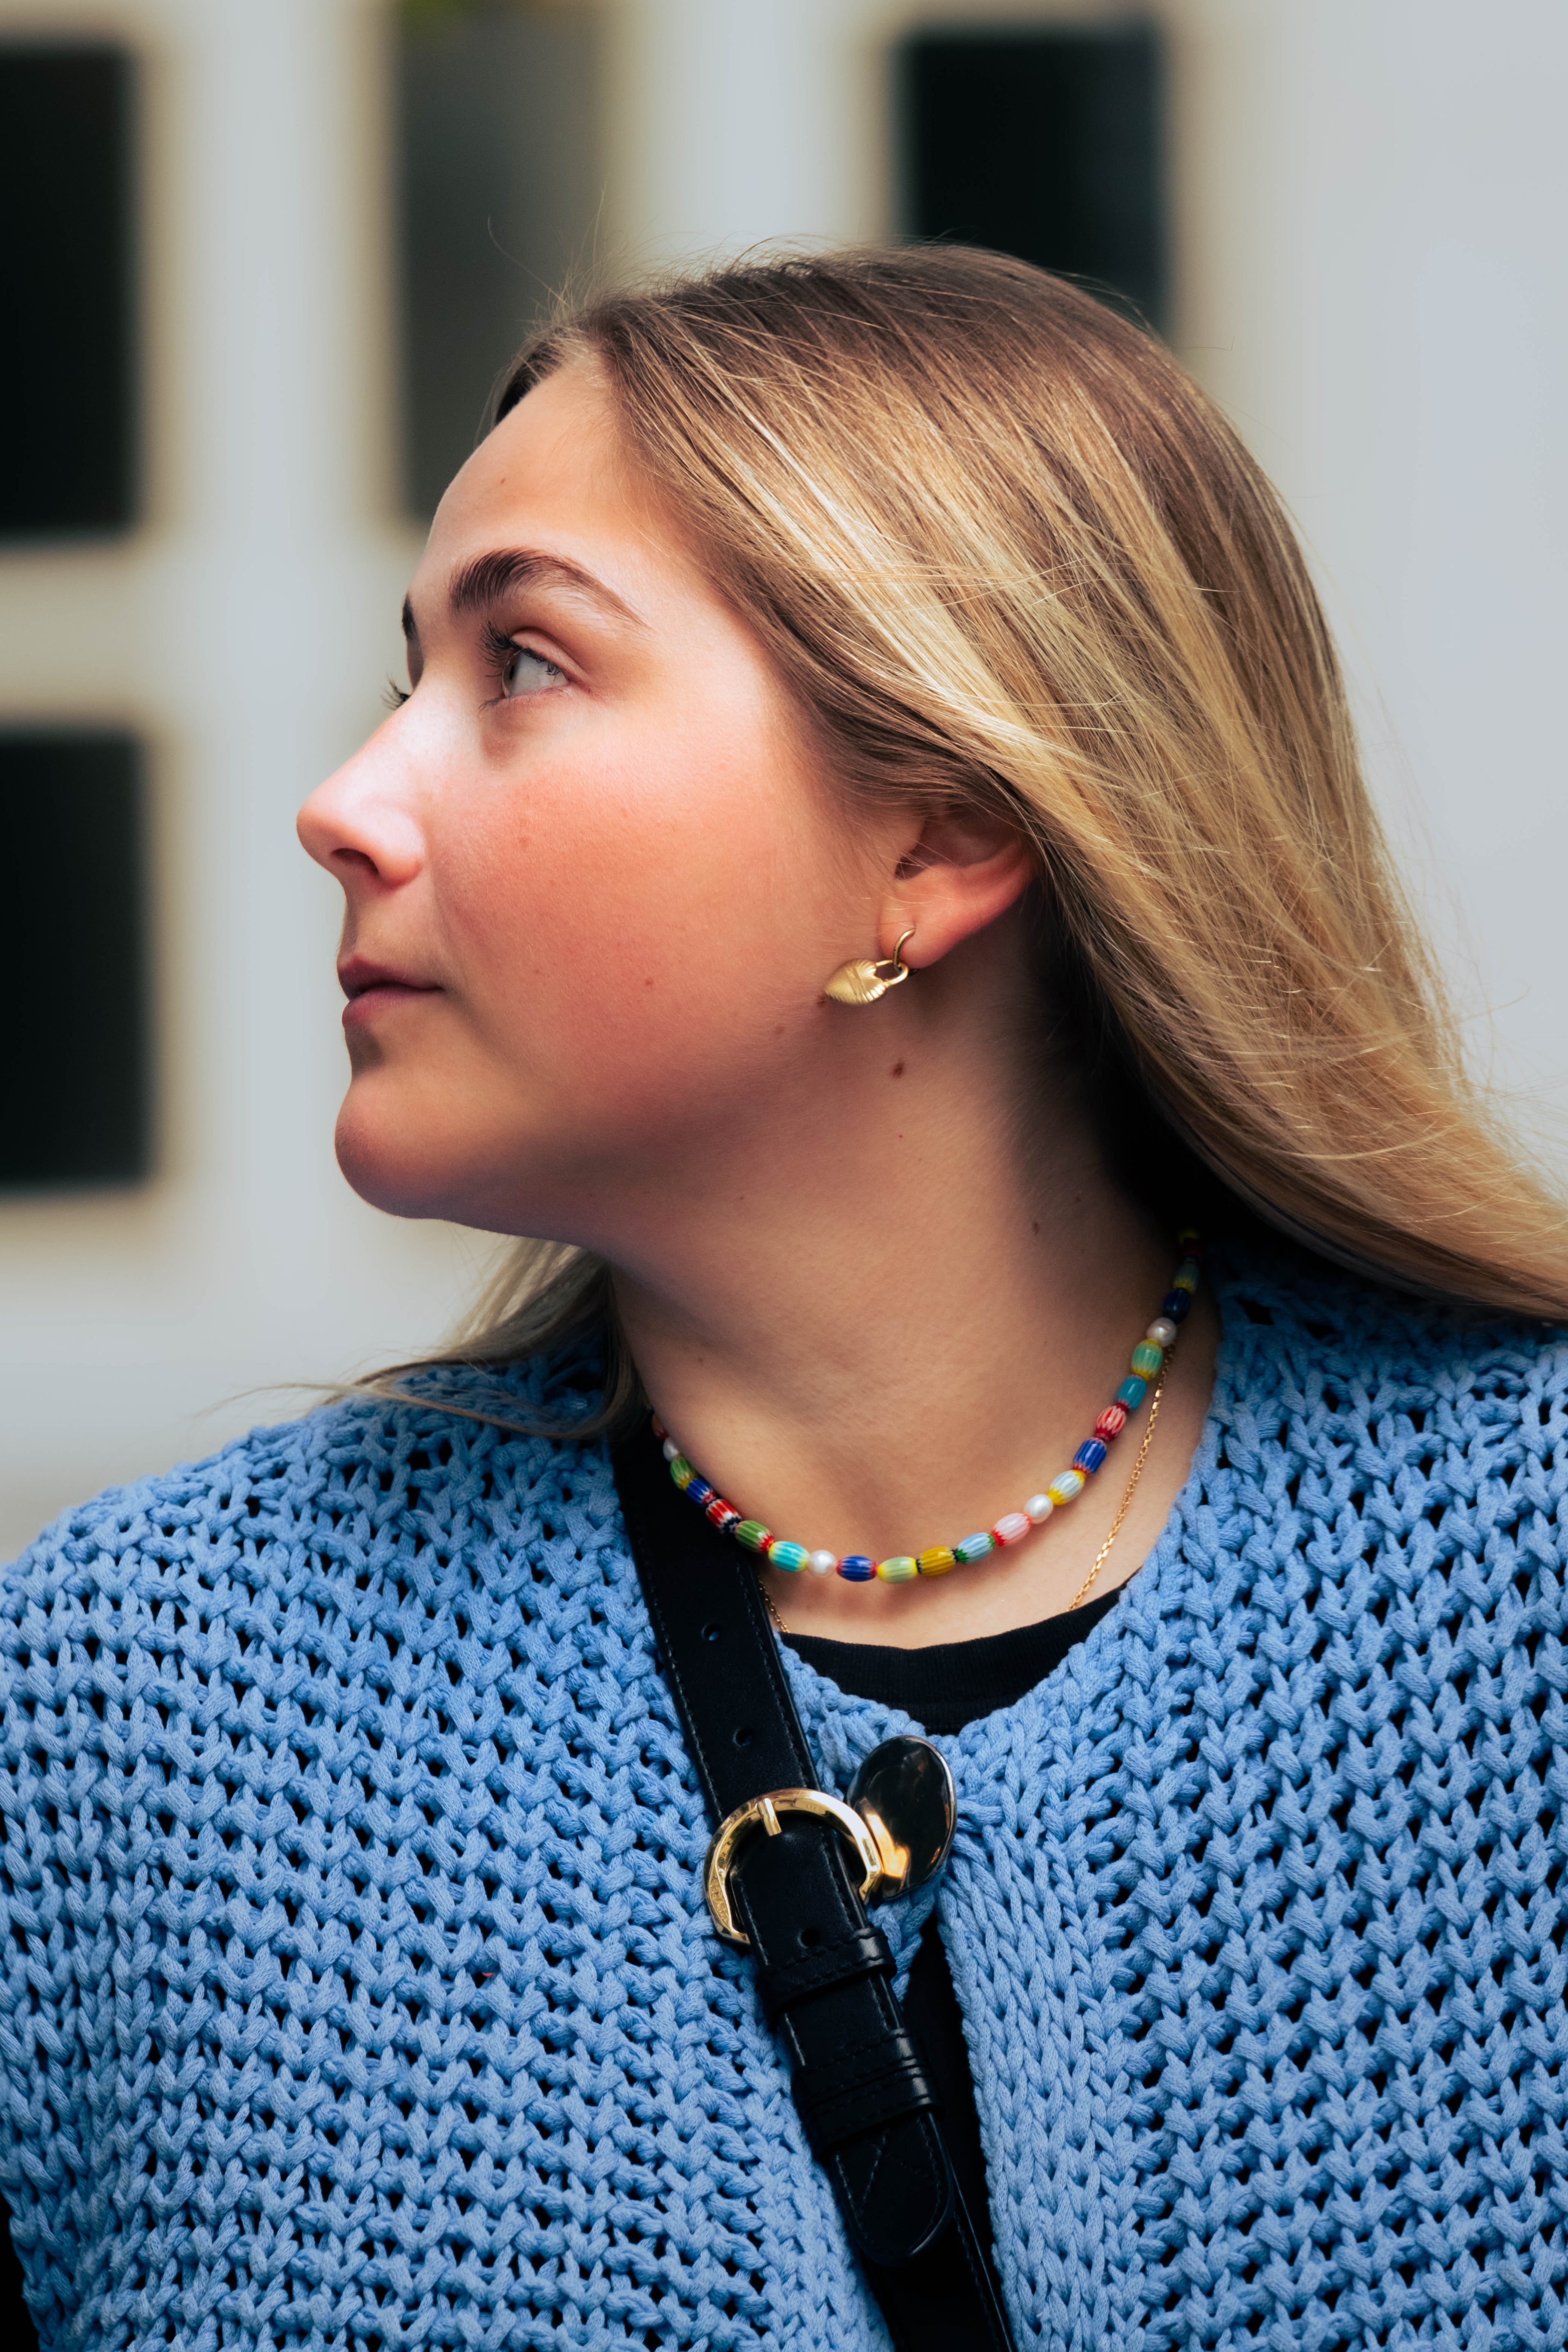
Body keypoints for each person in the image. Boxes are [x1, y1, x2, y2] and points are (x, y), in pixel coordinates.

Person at [2, 248, 1566, 2352]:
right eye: (407, 679)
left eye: (524, 666)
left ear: (934, 834)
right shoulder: (128, 1717)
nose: (344, 802)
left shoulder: (1521, 1587)